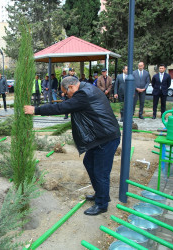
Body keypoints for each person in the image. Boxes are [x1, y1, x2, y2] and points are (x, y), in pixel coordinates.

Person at [24, 76, 120, 216]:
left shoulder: (83, 94)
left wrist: (36, 110)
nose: (66, 96)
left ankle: (102, 204)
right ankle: (101, 194)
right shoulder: (86, 88)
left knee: (100, 172)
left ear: (71, 87)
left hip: (106, 138)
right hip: (100, 136)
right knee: (89, 163)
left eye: (65, 92)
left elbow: (61, 107)